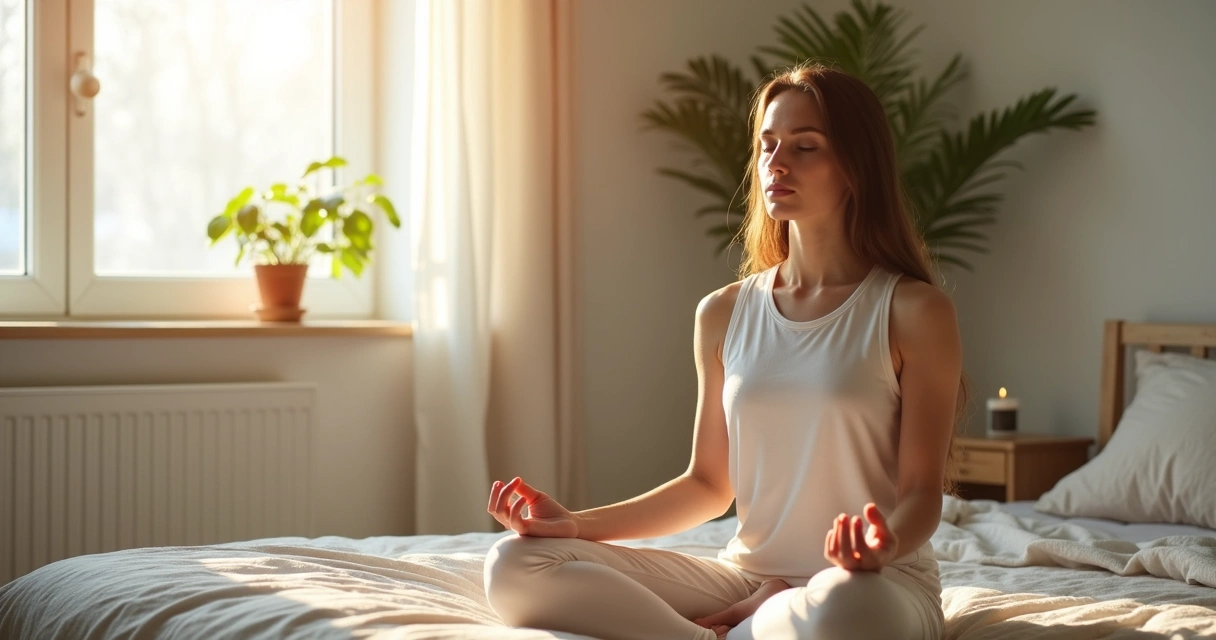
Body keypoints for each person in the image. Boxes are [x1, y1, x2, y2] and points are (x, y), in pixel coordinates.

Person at [482, 61, 967, 640]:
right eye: (767, 146)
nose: (776, 163)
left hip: (875, 585)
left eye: (805, 147)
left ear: (856, 168)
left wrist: (880, 544)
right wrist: (573, 526)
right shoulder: (723, 312)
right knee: (514, 564)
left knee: (842, 610)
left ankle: (763, 616)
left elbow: (919, 494)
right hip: (748, 577)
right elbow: (708, 485)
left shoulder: (913, 311)